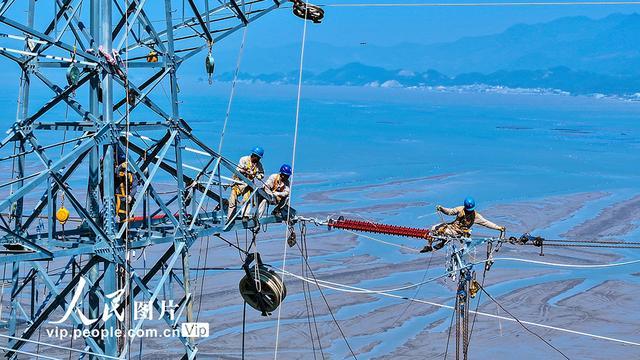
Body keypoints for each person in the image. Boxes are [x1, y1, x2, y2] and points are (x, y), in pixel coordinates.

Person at [421, 197, 505, 253]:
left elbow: (486, 223)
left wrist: (498, 228)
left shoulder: (476, 216)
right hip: (452, 226)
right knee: (433, 228)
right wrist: (442, 208)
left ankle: (443, 241)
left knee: (443, 232)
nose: (469, 211)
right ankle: (429, 246)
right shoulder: (460, 209)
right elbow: (450, 212)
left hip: (459, 232)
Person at [227, 146, 265, 221]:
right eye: (258, 157)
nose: (258, 159)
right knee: (232, 201)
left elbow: (261, 173)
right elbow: (240, 169)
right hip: (238, 183)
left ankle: (245, 215)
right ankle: (230, 218)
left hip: (248, 184)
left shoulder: (258, 165)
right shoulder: (244, 159)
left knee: (246, 199)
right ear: (254, 155)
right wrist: (247, 171)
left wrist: (259, 176)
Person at [114, 150, 137, 223]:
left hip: (127, 200)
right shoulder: (115, 173)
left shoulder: (130, 175)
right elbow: (112, 174)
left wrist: (131, 196)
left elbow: (134, 187)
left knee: (127, 219)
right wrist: (120, 167)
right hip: (118, 201)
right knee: (121, 219)